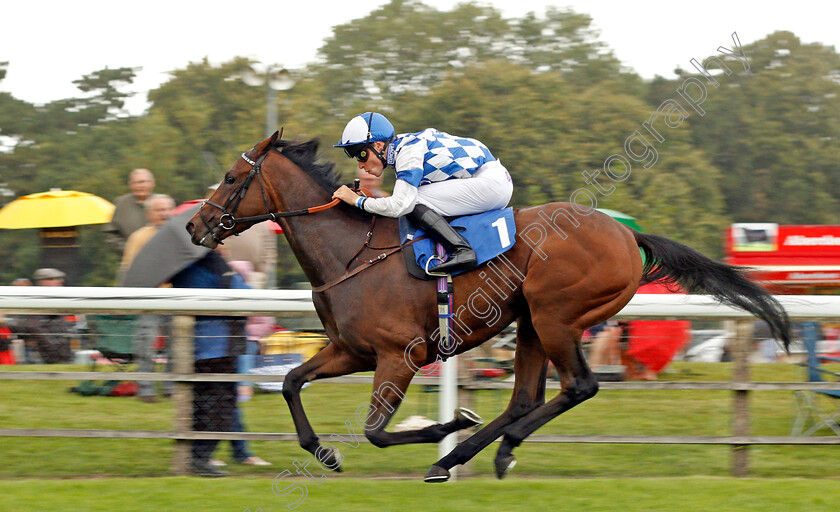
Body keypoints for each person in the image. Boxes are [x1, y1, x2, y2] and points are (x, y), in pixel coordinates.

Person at [332, 112, 513, 274]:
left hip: (491, 182)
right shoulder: (405, 147)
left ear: (379, 145)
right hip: (491, 180)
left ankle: (462, 250)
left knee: (412, 200)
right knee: (414, 197)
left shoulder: (408, 153)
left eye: (361, 155)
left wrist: (357, 201)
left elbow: (401, 205)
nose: (360, 165)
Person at [169, 251, 268, 476]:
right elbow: (243, 294)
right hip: (220, 347)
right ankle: (201, 459)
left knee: (204, 406)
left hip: (197, 348)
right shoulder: (213, 264)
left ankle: (197, 456)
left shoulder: (182, 268)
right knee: (219, 408)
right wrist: (239, 278)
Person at [120, 194, 176, 403]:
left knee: (176, 345)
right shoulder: (139, 237)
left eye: (167, 209)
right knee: (145, 344)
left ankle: (172, 387)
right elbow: (128, 269)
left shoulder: (180, 234)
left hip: (176, 298)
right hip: (150, 299)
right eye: (159, 210)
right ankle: (146, 389)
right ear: (149, 214)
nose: (164, 214)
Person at [13, 269, 77, 363]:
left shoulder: (58, 299)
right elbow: (29, 325)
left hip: (58, 350)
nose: (60, 281)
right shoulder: (32, 298)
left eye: (60, 278)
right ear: (42, 281)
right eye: (54, 279)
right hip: (38, 352)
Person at [103, 168, 156, 253]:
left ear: (153, 183)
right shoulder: (120, 203)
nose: (140, 186)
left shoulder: (162, 203)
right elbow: (110, 234)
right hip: (130, 260)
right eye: (136, 182)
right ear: (130, 185)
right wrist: (128, 249)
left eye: (143, 182)